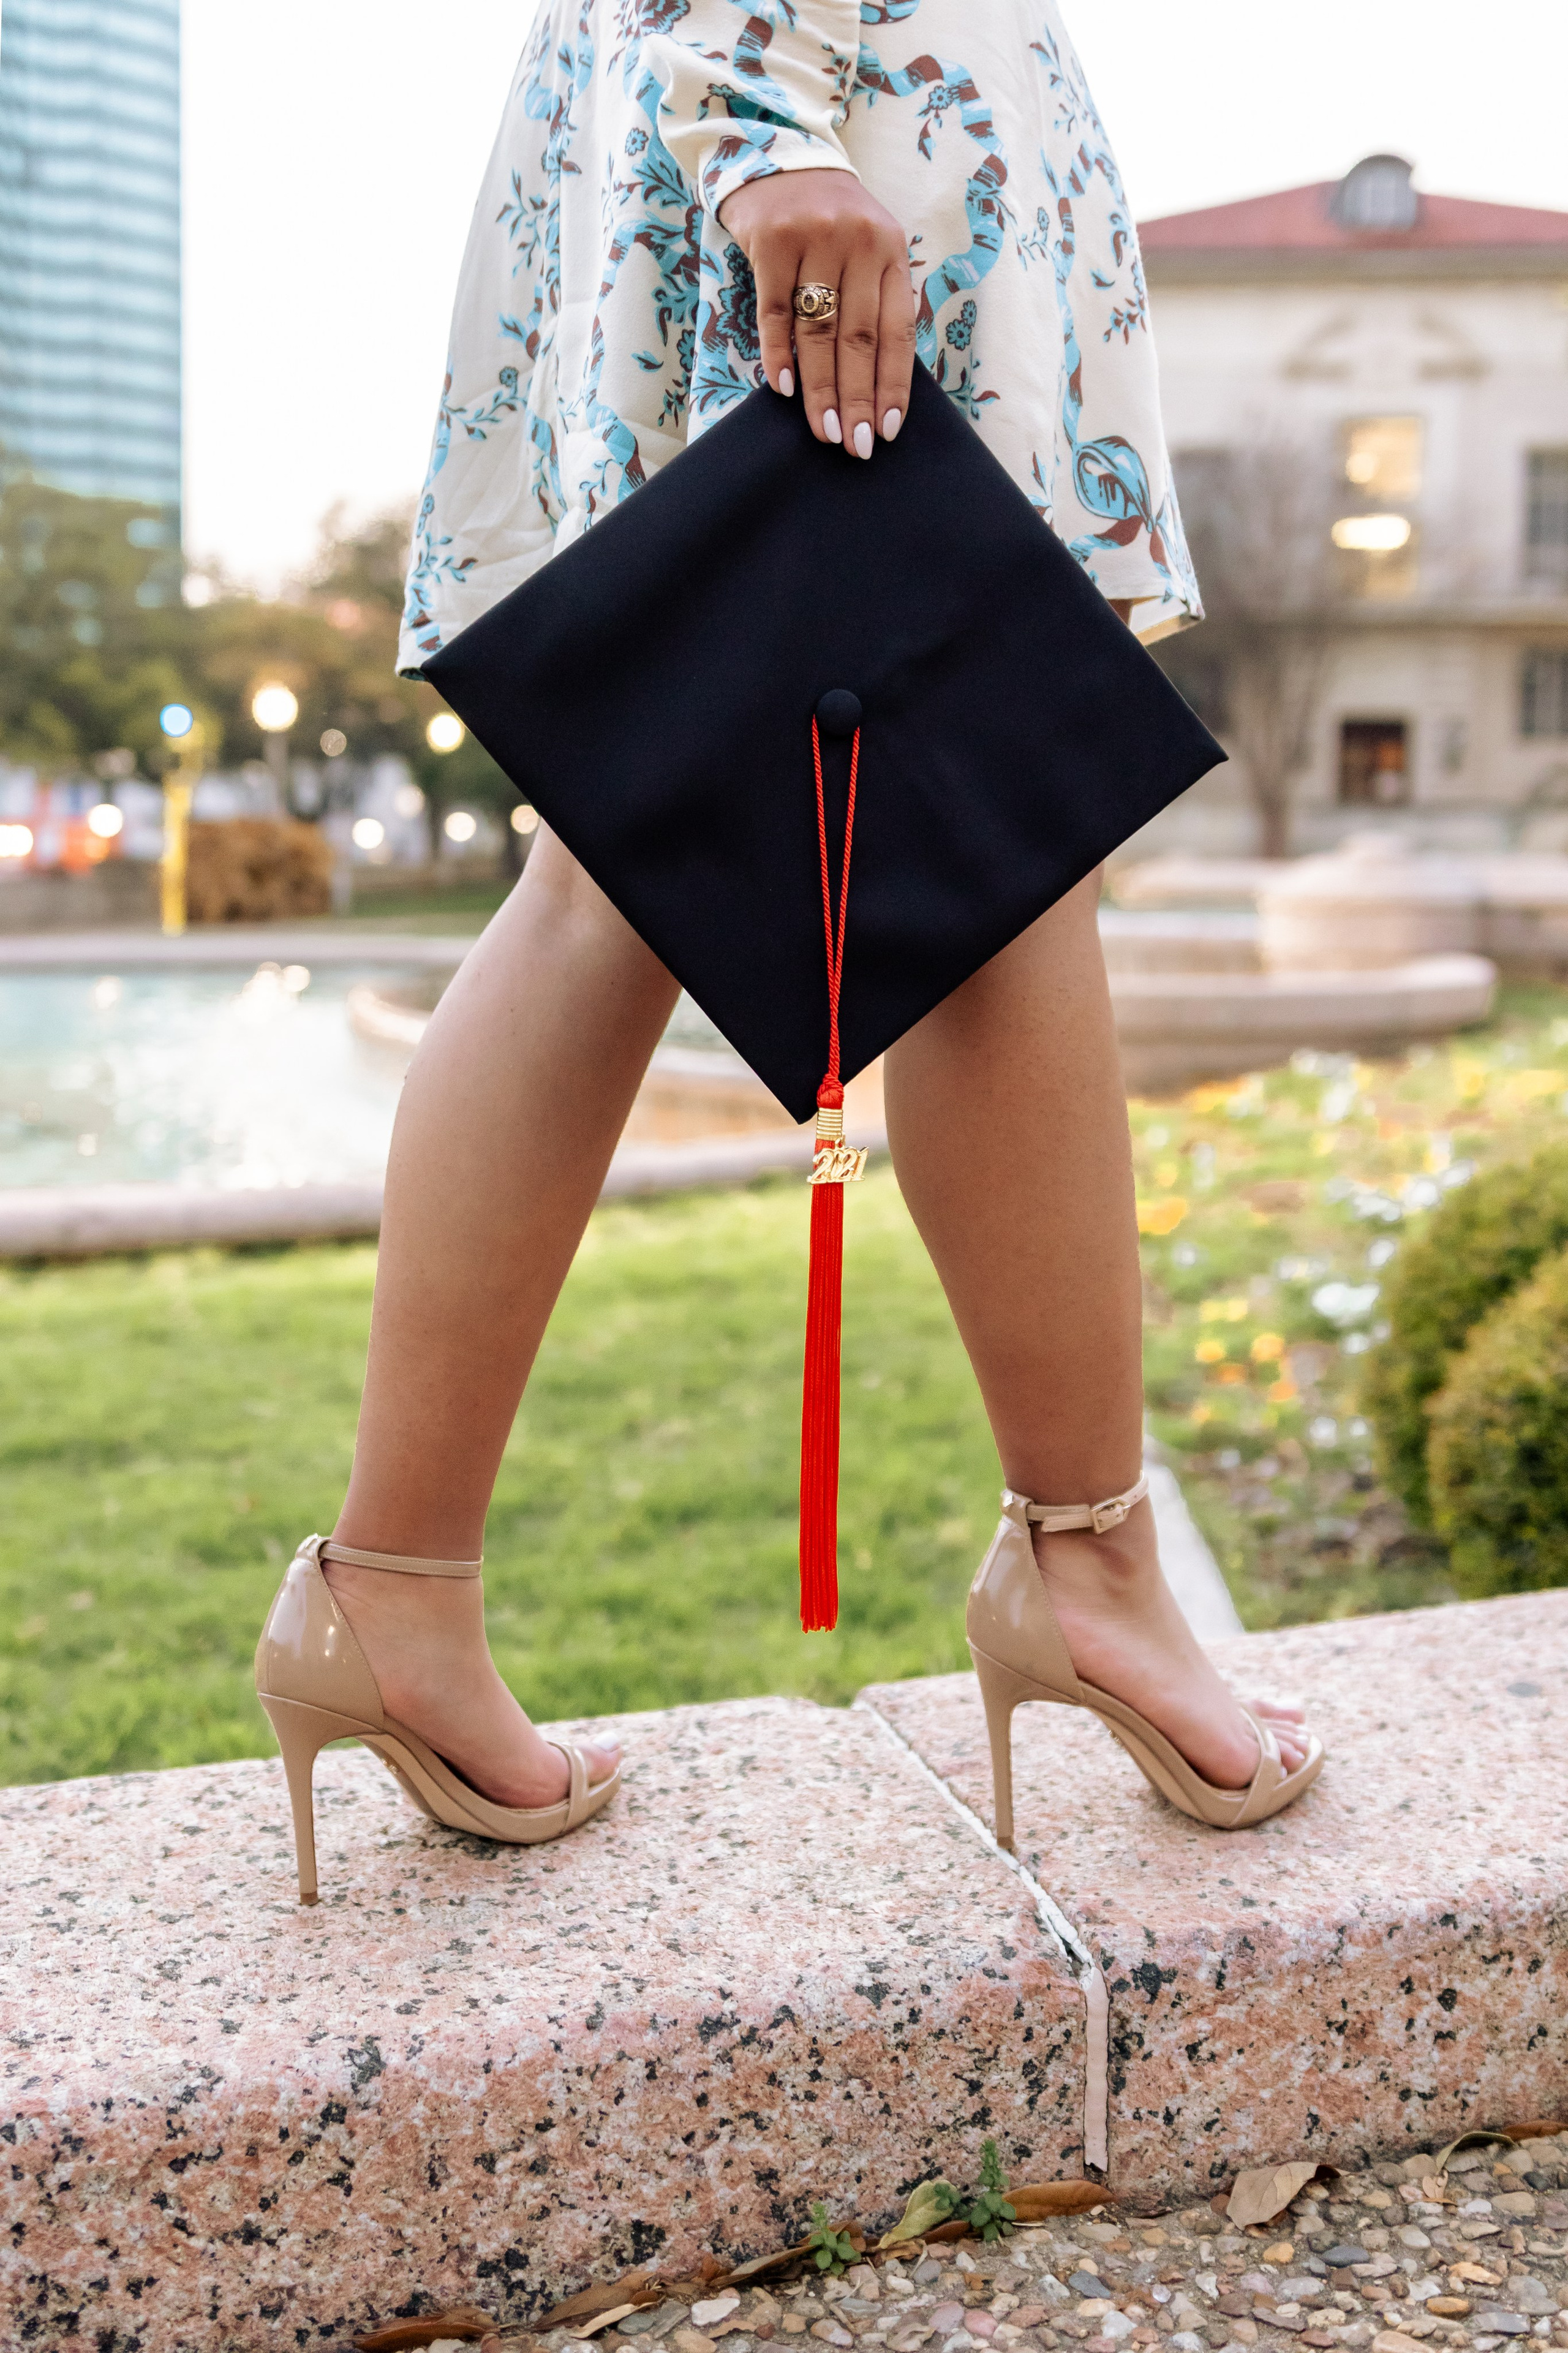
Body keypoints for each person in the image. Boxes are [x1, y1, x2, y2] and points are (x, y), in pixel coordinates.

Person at [255, 0, 1319, 1897]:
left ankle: (392, 1591)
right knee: (985, 832)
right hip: (827, 120)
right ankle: (1086, 1567)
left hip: (784, 103)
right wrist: (760, 128)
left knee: (623, 857)